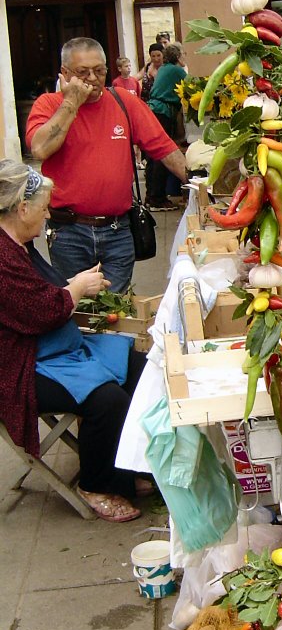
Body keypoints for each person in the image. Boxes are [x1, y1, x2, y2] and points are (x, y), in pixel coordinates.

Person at [0, 160, 150, 521]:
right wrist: (79, 286)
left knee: (140, 367)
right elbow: (41, 311)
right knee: (106, 400)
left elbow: (45, 300)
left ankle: (126, 465)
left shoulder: (18, 243)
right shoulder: (3, 256)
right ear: (22, 209)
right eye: (42, 208)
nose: (48, 215)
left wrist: (79, 289)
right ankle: (96, 484)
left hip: (54, 347)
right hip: (20, 365)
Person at [25, 37, 188, 292]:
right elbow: (40, 148)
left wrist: (201, 186)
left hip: (117, 230)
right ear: (65, 74)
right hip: (68, 231)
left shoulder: (124, 101)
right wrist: (72, 102)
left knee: (117, 309)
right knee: (79, 310)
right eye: (83, 72)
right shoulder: (49, 105)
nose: (93, 78)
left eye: (99, 70)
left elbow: (165, 149)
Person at [146, 42, 187, 210]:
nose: (186, 57)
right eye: (184, 53)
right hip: (162, 112)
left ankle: (152, 196)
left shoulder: (164, 68)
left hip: (153, 110)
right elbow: (194, 87)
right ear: (177, 56)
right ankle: (157, 199)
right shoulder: (177, 71)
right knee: (163, 154)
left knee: (153, 155)